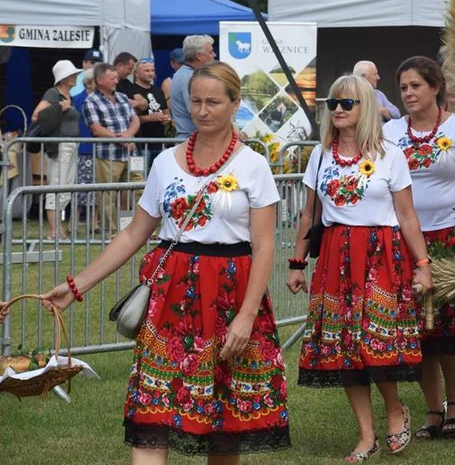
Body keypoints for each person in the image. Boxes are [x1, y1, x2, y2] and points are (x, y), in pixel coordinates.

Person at [19, 61, 291, 460]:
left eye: (213, 101)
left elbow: (264, 245)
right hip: (170, 298)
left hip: (230, 297)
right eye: (195, 100)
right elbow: (134, 233)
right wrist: (78, 284)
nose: (202, 110)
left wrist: (247, 315)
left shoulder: (254, 165)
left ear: (235, 105)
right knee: (153, 410)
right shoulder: (165, 162)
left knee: (223, 418)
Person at [289, 74, 431, 461]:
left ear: (365, 107)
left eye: (346, 103)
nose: (337, 109)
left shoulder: (390, 154)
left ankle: (394, 410)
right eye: (332, 103)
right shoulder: (320, 156)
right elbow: (309, 213)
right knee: (343, 347)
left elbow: (407, 216)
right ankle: (366, 435)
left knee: (376, 341)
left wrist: (423, 264)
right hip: (336, 255)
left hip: (381, 254)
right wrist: (297, 263)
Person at [383, 56, 455, 439]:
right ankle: (432, 408)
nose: (409, 93)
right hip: (408, 242)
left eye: (416, 86)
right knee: (421, 330)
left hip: (454, 237)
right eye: (404, 87)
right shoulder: (391, 131)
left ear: (436, 87)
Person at [83, 63, 140, 236]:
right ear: (100, 80)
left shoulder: (123, 97)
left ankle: (141, 228)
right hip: (108, 154)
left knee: (140, 189)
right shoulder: (90, 101)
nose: (116, 81)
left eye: (116, 77)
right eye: (112, 78)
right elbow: (95, 128)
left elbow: (135, 120)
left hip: (131, 152)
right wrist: (119, 139)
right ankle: (112, 231)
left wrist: (128, 135)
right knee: (108, 193)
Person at [32, 60, 83, 240]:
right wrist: (61, 108)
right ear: (64, 77)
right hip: (59, 146)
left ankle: (58, 229)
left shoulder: (67, 95)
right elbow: (37, 114)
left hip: (69, 145)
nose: (76, 77)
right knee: (57, 185)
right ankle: (54, 231)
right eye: (72, 74)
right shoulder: (53, 94)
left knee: (66, 187)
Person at [172, 35, 216, 138]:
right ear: (199, 56)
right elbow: (197, 111)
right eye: (210, 52)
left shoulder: (184, 74)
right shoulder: (189, 77)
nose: (214, 55)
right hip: (192, 142)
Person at [131, 58, 170, 168]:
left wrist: (166, 119)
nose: (151, 73)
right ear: (136, 74)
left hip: (160, 143)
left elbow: (166, 111)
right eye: (146, 71)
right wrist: (150, 118)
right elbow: (128, 119)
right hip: (141, 144)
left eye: (152, 70)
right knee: (140, 178)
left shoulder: (158, 90)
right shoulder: (132, 90)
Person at [72, 69, 97, 227]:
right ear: (88, 83)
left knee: (96, 187)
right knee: (80, 187)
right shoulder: (76, 99)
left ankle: (94, 222)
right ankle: (73, 222)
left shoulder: (101, 99)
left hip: (98, 148)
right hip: (83, 147)